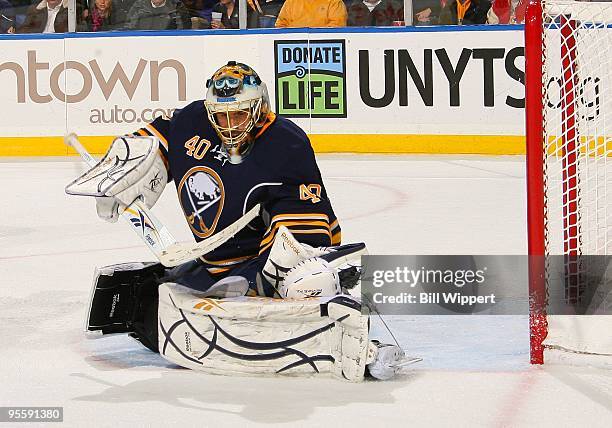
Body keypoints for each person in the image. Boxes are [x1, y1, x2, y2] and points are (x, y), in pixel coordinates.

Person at [68, 61, 405, 381]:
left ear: (259, 108)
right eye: (220, 116)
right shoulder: (192, 120)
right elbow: (151, 142)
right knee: (145, 301)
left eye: (240, 114)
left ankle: (331, 327)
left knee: (305, 278)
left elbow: (303, 230)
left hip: (267, 256)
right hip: (215, 262)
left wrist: (262, 278)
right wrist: (121, 176)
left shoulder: (285, 143)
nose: (229, 125)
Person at [275, 0, 347, 28]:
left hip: (325, 49)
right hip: (293, 48)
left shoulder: (334, 2)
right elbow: (280, 26)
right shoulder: (291, 2)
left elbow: (337, 28)